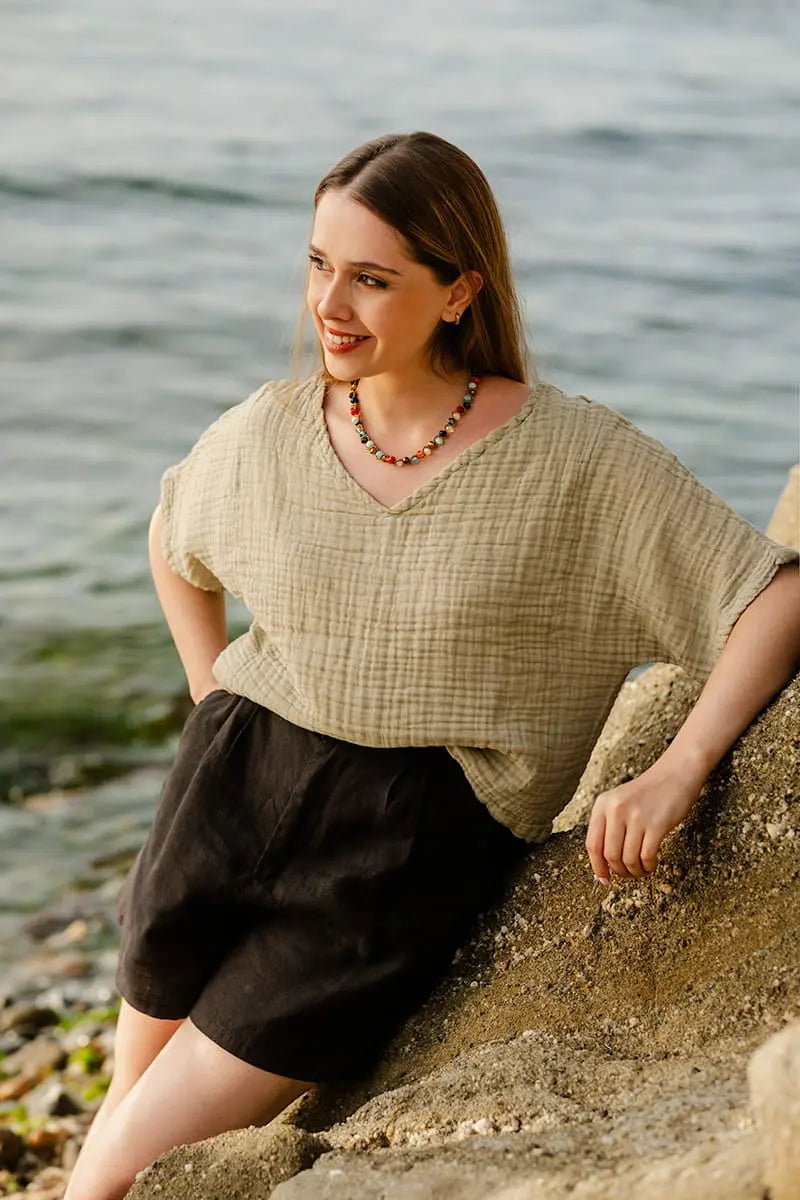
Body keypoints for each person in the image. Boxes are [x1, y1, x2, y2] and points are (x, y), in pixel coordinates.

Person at [63, 131, 800, 1200]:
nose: (329, 305)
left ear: (459, 292)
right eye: (318, 265)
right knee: (119, 1139)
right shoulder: (272, 427)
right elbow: (172, 536)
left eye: (371, 278)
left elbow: (767, 593)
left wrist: (676, 767)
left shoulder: (574, 459)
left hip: (391, 865)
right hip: (222, 799)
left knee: (120, 1177)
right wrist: (205, 684)